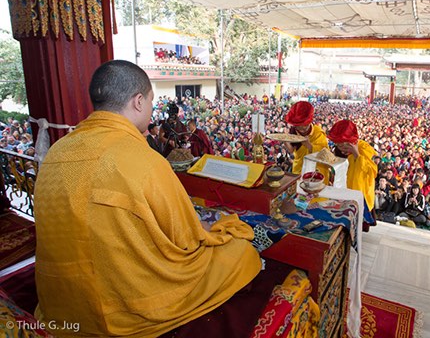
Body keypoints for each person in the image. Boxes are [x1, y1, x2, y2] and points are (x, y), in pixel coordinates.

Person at [33, 60, 261, 337]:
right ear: (138, 102)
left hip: (63, 305)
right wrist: (221, 229)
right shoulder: (143, 160)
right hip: (126, 307)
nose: (152, 110)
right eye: (151, 102)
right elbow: (187, 240)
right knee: (241, 251)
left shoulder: (57, 152)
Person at [328, 119, 378, 221]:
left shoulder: (365, 148)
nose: (341, 148)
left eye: (343, 145)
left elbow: (372, 172)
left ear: (351, 141)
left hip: (359, 194)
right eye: (338, 145)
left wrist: (357, 155)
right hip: (343, 192)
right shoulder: (339, 151)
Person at [284, 101, 329, 176]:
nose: (302, 128)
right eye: (298, 126)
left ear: (309, 121)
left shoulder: (318, 133)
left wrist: (309, 146)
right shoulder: (293, 131)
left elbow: (326, 155)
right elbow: (292, 150)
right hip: (299, 170)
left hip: (316, 173)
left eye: (304, 125)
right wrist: (285, 142)